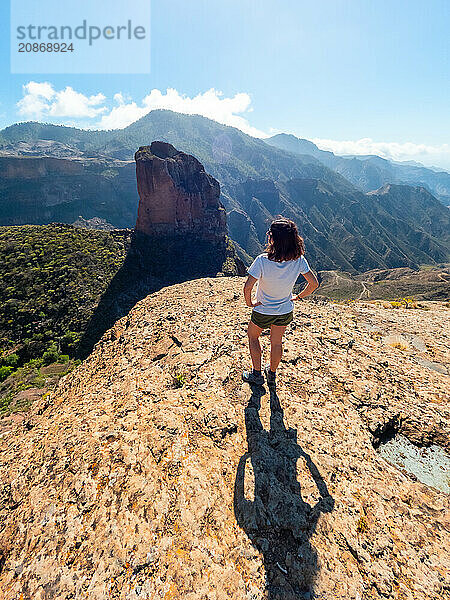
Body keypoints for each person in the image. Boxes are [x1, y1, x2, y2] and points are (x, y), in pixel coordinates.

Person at [242, 217, 319, 387]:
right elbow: (313, 284)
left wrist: (250, 303)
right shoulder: (299, 260)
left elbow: (248, 287)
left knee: (253, 336)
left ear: (273, 239)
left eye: (270, 233)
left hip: (263, 310)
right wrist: (298, 297)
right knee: (276, 342)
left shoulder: (262, 260)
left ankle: (257, 374)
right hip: (284, 311)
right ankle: (272, 374)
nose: (268, 235)